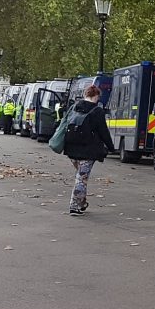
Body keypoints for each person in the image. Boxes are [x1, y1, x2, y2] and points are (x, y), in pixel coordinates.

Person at [62, 85, 116, 216]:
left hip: (71, 149)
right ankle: (74, 206)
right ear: (96, 96)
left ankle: (81, 203)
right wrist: (111, 147)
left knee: (80, 176)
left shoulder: (74, 107)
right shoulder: (97, 111)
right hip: (88, 150)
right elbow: (103, 132)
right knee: (81, 178)